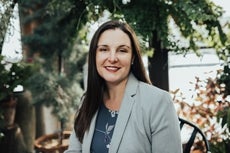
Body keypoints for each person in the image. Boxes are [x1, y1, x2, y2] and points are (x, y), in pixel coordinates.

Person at [64, 20, 182, 153]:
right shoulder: (88, 100)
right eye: (104, 49)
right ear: (94, 55)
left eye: (122, 50)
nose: (112, 58)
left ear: (132, 58)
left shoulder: (158, 102)